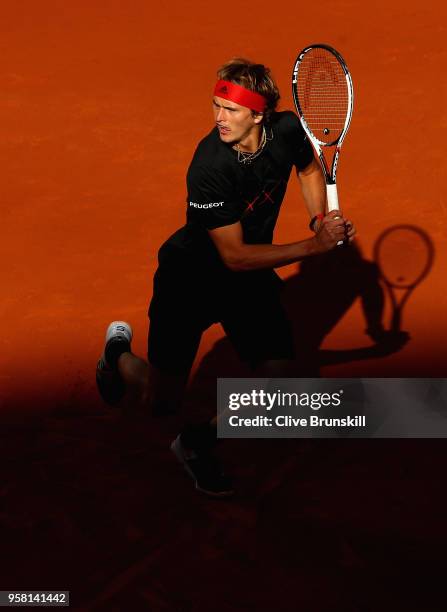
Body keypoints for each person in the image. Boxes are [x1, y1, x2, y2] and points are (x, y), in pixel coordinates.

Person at [96, 58, 356, 497]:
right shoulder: (209, 166)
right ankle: (116, 354)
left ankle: (197, 445)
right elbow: (233, 256)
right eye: (216, 106)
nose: (219, 117)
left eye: (230, 110)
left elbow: (309, 169)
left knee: (278, 380)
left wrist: (318, 220)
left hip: (247, 282)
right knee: (162, 401)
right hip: (190, 281)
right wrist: (314, 248)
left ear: (259, 114)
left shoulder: (288, 130)